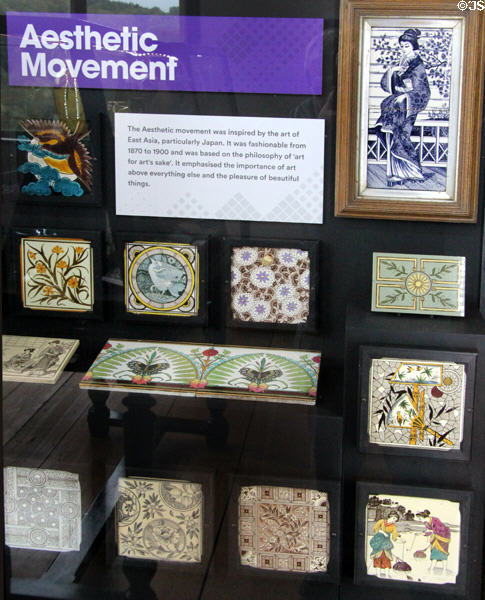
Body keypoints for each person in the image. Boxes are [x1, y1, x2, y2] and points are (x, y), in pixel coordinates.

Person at [374, 28, 431, 186]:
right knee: (392, 132)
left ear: (414, 48)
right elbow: (391, 85)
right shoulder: (403, 64)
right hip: (400, 103)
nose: (403, 49)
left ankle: (412, 171)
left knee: (401, 134)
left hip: (409, 104)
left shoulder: (418, 66)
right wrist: (392, 71)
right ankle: (396, 172)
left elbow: (421, 90)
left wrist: (405, 94)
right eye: (401, 46)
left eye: (406, 46)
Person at [369, 510, 400, 576]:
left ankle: (387, 575)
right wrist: (382, 532)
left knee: (387, 558)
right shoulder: (382, 521)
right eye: (394, 518)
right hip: (378, 540)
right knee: (377, 557)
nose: (394, 521)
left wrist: (398, 539)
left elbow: (394, 535)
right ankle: (378, 574)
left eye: (395, 520)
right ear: (390, 516)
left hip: (386, 542)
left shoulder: (393, 526)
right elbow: (375, 529)